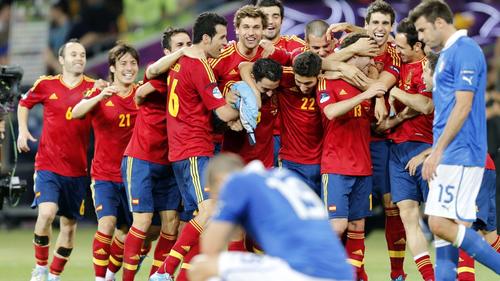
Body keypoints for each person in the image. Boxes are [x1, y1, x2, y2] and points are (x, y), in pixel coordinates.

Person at [409, 0, 500, 279]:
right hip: (448, 154)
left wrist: (437, 151)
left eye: (423, 30)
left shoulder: (466, 50)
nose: (421, 37)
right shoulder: (447, 53)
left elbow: (463, 105)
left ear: (439, 23)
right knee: (442, 236)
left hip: (461, 153)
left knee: (440, 224)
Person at [150, 12, 239, 281]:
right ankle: (164, 272)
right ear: (205, 38)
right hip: (193, 149)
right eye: (222, 37)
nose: (226, 42)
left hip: (183, 150)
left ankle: (182, 277)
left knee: (195, 220)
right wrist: (246, 104)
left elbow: (152, 71)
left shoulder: (180, 63)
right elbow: (223, 114)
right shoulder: (199, 66)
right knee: (210, 209)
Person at [188, 153, 354, 281]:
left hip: (304, 271)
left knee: (201, 266)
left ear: (220, 180)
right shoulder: (283, 176)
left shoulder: (237, 181)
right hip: (342, 273)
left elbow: (210, 247)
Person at [18, 39, 96, 281]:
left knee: (69, 227)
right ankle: (40, 268)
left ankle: (54, 275)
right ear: (61, 60)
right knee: (47, 213)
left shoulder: (94, 87)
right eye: (73, 54)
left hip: (78, 170)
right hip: (48, 166)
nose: (79, 58)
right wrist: (22, 130)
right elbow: (24, 102)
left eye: (82, 54)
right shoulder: (46, 84)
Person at [317, 32, 385, 281]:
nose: (370, 61)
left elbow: (378, 125)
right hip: (336, 166)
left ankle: (355, 276)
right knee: (336, 227)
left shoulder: (368, 86)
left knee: (358, 228)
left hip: (363, 168)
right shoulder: (328, 81)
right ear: (352, 56)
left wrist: (379, 100)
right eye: (366, 56)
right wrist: (366, 95)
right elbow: (332, 112)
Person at [127, 27, 194, 279]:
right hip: (143, 156)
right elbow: (144, 86)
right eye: (180, 45)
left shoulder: (191, 78)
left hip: (173, 160)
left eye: (189, 43)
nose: (186, 48)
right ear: (167, 51)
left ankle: (157, 276)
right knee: (142, 224)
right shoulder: (156, 77)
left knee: (171, 225)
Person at [71, 43, 140, 281]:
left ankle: (110, 274)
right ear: (112, 68)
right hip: (104, 176)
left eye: (133, 63)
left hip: (134, 177)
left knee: (128, 232)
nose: (129, 68)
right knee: (107, 225)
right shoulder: (100, 94)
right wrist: (100, 95)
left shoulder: (141, 94)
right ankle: (100, 279)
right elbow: (76, 112)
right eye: (123, 64)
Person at [377, 19, 436, 281]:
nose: (397, 51)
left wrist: (396, 92)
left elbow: (425, 106)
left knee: (439, 219)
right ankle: (429, 277)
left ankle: (457, 272)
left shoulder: (430, 67)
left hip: (427, 148)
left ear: (418, 45)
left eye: (401, 47)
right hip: (397, 150)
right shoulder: (398, 67)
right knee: (407, 216)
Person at [210, 4, 289, 168]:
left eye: (256, 27)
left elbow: (302, 66)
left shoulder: (273, 54)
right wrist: (227, 118)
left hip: (265, 156)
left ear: (263, 30)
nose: (251, 33)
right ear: (237, 30)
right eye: (246, 27)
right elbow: (203, 94)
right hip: (232, 154)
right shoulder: (221, 58)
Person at [256, 0, 305, 167]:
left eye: (275, 16)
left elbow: (311, 74)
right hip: (256, 133)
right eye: (265, 16)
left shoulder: (296, 45)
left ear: (282, 20)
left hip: (289, 136)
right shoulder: (248, 48)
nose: (270, 21)